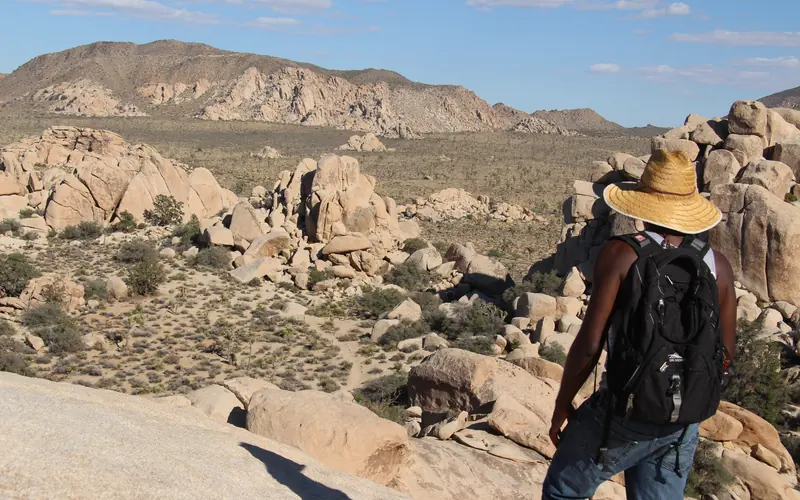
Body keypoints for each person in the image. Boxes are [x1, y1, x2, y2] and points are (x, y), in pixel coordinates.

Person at [541, 149, 737, 500]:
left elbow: (590, 343)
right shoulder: (717, 265)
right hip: (683, 420)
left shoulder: (622, 253)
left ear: (644, 203)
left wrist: (563, 403)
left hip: (623, 412)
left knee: (563, 490)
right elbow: (725, 352)